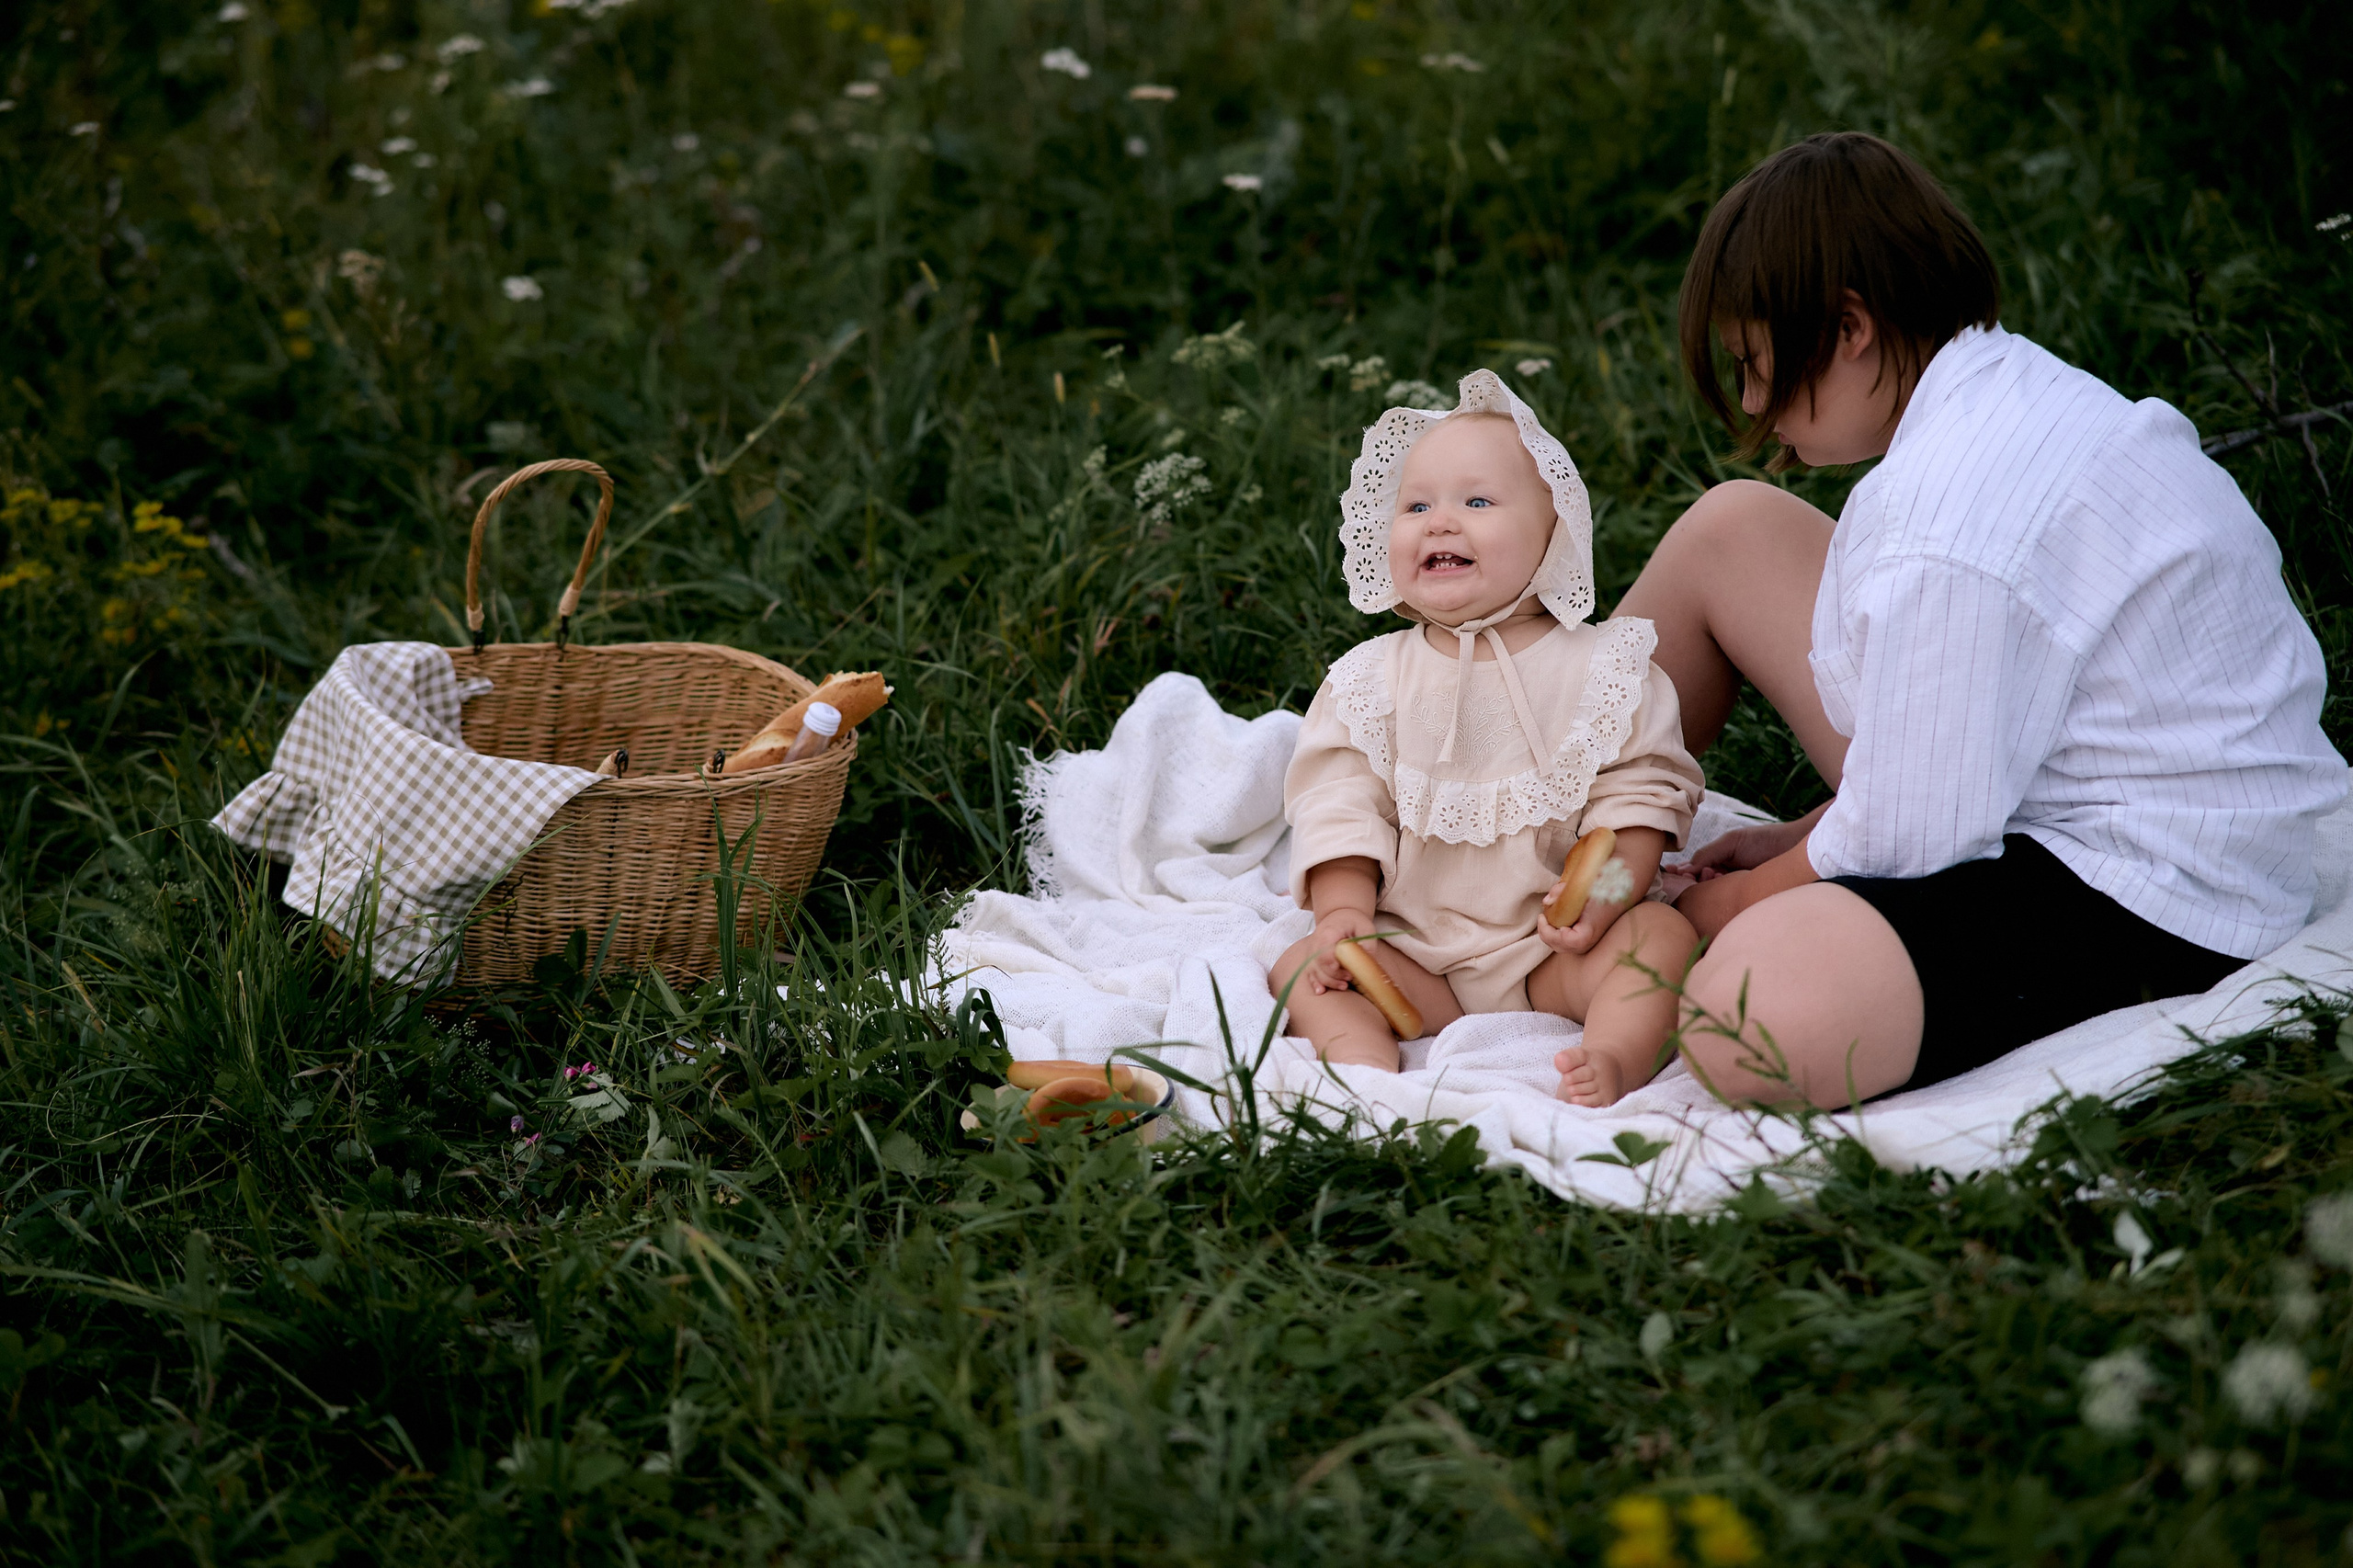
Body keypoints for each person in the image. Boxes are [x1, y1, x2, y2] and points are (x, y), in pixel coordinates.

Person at [1614, 131, 2347, 1108]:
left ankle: (1553, 897)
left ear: (1847, 328)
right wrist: (1806, 835)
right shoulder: (1995, 391)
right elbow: (1975, 724)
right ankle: (1490, 826)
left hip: (2154, 883)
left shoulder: (1950, 517)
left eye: (1755, 365)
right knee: (1732, 527)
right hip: (2064, 766)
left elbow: (1918, 833)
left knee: (1750, 1009)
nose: (1752, 404)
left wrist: (1727, 898)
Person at [1273, 369, 1705, 1107]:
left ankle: (1614, 1053)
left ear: (1553, 539)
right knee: (1296, 967)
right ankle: (1360, 1053)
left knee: (1661, 942)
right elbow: (1341, 805)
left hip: (1556, 954)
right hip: (1414, 954)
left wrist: (1601, 902)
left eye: (1476, 501)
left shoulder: (1605, 670)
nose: (1440, 521)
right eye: (1416, 505)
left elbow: (1633, 813)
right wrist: (1343, 913)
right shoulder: (1371, 680)